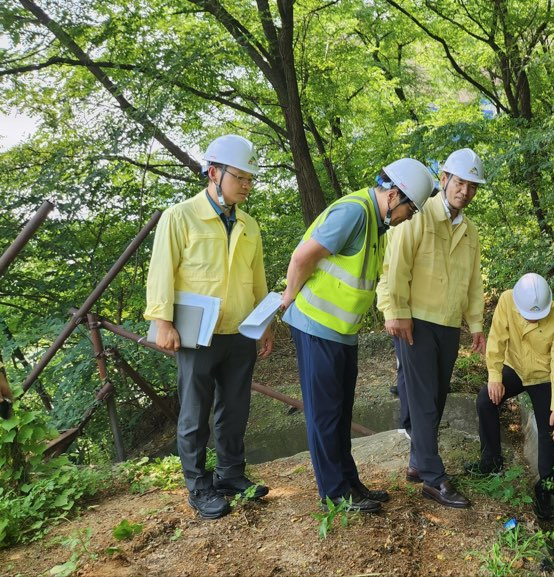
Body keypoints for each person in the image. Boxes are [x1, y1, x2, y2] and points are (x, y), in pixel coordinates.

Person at [280, 158, 435, 513]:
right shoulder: (354, 212)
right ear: (394, 195)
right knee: (325, 415)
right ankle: (334, 492)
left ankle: (350, 483)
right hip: (316, 327)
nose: (409, 217)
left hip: (341, 334)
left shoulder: (376, 224)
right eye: (410, 209)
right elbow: (303, 256)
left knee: (340, 410)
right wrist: (289, 297)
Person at [145, 134, 274, 520]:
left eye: (251, 179)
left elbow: (258, 281)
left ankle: (231, 474)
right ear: (214, 172)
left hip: (239, 331)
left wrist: (264, 324)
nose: (247, 185)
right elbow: (161, 273)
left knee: (235, 408)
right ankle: (198, 486)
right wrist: (162, 322)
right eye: (241, 177)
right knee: (195, 412)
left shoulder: (250, 225)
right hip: (195, 334)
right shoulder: (180, 216)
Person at [377, 148, 487, 509]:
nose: (465, 192)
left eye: (472, 187)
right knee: (424, 399)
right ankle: (432, 476)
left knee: (435, 395)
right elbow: (395, 266)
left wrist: (475, 324)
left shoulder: (469, 231)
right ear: (443, 180)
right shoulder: (418, 215)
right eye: (460, 183)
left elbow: (473, 283)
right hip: (416, 320)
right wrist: (396, 311)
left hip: (447, 324)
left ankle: (416, 461)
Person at [465, 273, 554, 520]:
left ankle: (544, 489)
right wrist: (495, 376)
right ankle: (491, 461)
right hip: (513, 368)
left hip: (542, 376)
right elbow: (497, 341)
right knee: (485, 400)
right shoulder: (507, 301)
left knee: (551, 431)